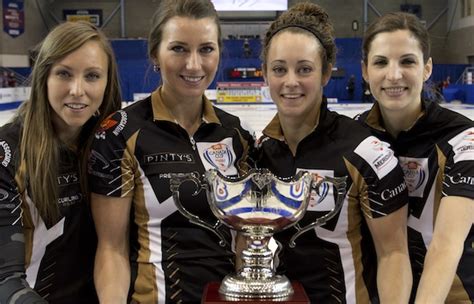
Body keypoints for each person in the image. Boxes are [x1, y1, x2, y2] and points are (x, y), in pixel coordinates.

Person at [87, 0, 254, 303]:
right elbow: (112, 250)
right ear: (155, 54)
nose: (193, 65)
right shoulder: (120, 132)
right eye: (178, 48)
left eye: (206, 49)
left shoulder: (235, 134)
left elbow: (245, 238)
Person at [256, 3, 411, 303]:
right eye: (279, 69)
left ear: (326, 73)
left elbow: (394, 255)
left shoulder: (364, 152)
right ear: (264, 74)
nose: (290, 82)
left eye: (304, 69)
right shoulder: (263, 151)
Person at [0, 21, 122, 304]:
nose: (77, 90)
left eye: (92, 76)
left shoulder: (114, 147)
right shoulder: (8, 152)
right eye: (64, 74)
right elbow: (5, 280)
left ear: (107, 83)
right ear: (44, 77)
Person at [358, 12, 474, 303]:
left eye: (407, 61)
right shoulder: (355, 137)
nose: (394, 75)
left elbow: (446, 244)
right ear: (364, 70)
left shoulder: (462, 137)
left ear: (427, 68)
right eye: (381, 62)